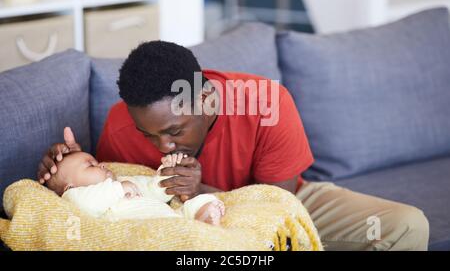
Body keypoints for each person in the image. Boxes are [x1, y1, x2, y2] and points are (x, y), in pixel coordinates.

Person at [38, 41, 429, 250]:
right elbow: (106, 201)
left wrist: (202, 191)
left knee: (405, 226)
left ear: (208, 100)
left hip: (283, 204)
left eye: (175, 130)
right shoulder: (122, 125)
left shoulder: (267, 104)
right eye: (149, 135)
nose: (161, 146)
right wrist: (61, 170)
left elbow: (277, 204)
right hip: (181, 227)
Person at [45, 150, 225, 225]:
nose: (101, 165)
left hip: (169, 216)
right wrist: (118, 190)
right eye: (90, 165)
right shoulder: (75, 196)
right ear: (69, 186)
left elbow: (152, 190)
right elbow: (86, 205)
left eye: (98, 162)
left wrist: (166, 174)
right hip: (143, 228)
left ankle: (205, 212)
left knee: (194, 204)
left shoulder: (123, 181)